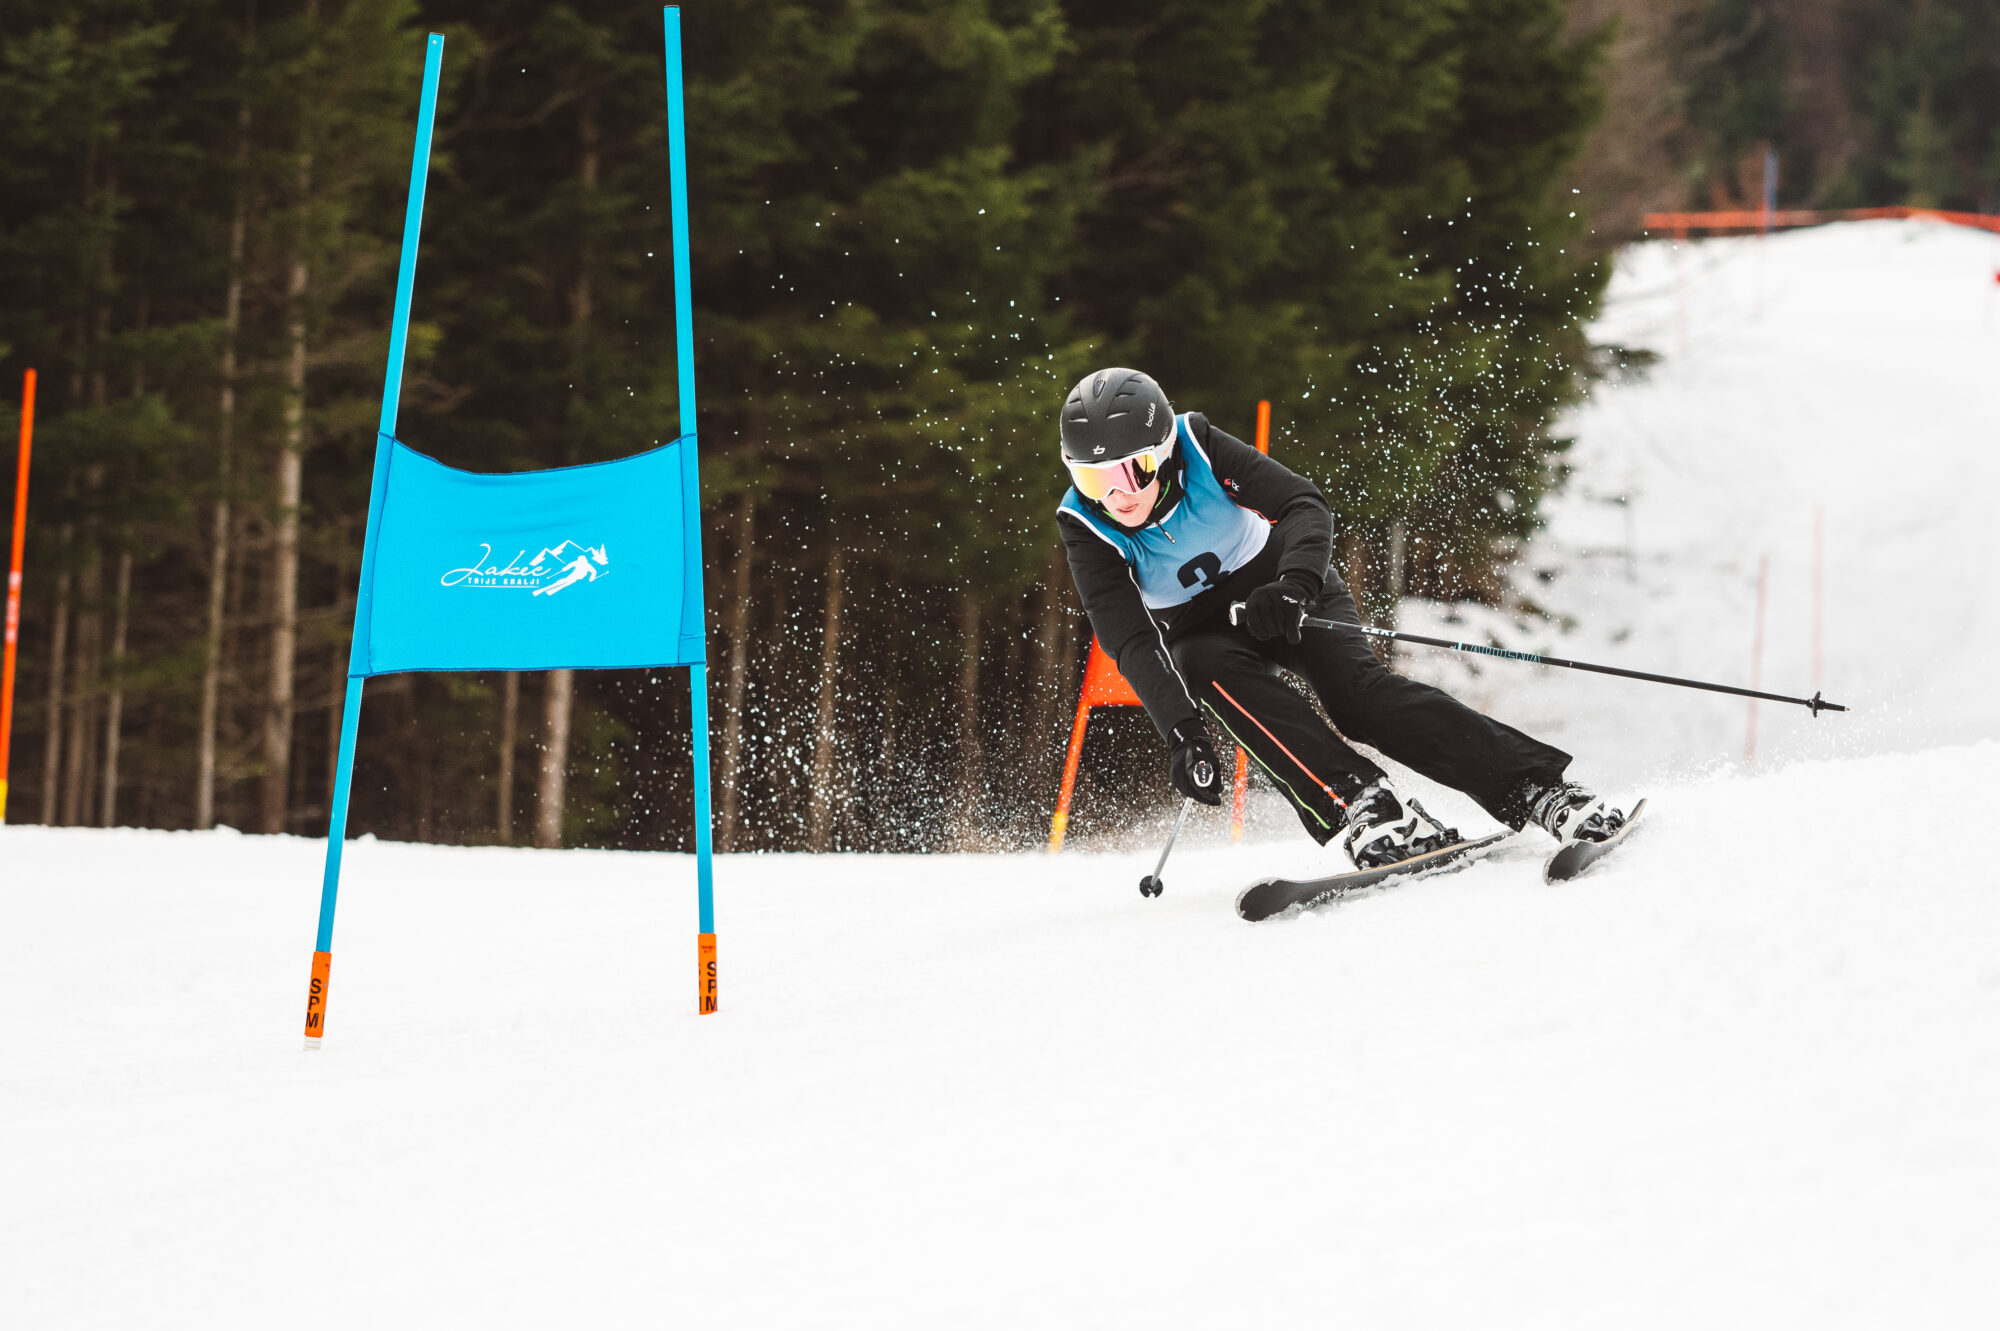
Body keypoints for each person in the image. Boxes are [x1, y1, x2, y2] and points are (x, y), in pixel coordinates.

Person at [1054, 367, 1626, 870]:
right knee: (1198, 664)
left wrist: (1295, 584)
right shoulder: (1085, 522)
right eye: (1094, 480)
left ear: (1164, 450)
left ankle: (1539, 790)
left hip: (1284, 586)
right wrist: (1182, 731)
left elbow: (1302, 503)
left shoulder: (1199, 445)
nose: (1118, 497)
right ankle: (1366, 805)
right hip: (1200, 630)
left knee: (1357, 698)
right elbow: (1129, 637)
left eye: (1133, 472)